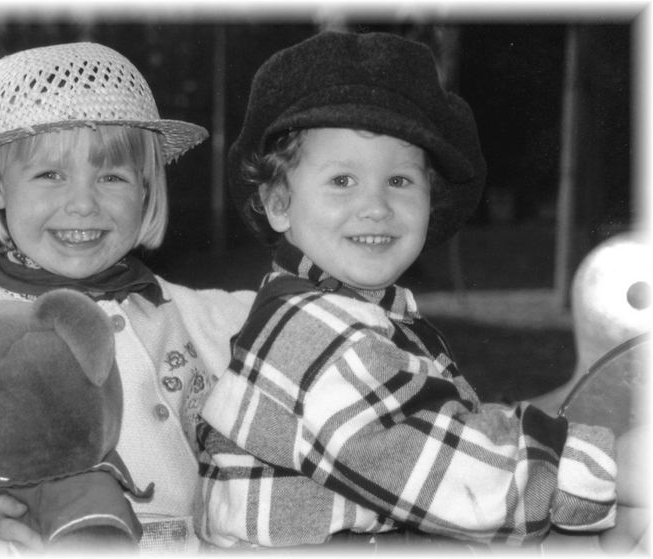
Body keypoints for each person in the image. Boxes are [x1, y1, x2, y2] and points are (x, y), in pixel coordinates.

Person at [195, 30, 648, 551]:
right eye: (342, 180)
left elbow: (457, 430)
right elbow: (449, 473)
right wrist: (615, 468)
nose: (376, 206)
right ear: (278, 204)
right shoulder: (310, 332)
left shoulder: (365, 318)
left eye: (400, 181)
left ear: (430, 201)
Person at [0, 42, 254, 555]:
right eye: (50, 175)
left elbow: (292, 325)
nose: (84, 203)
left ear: (146, 191)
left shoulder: (191, 314)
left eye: (112, 176)